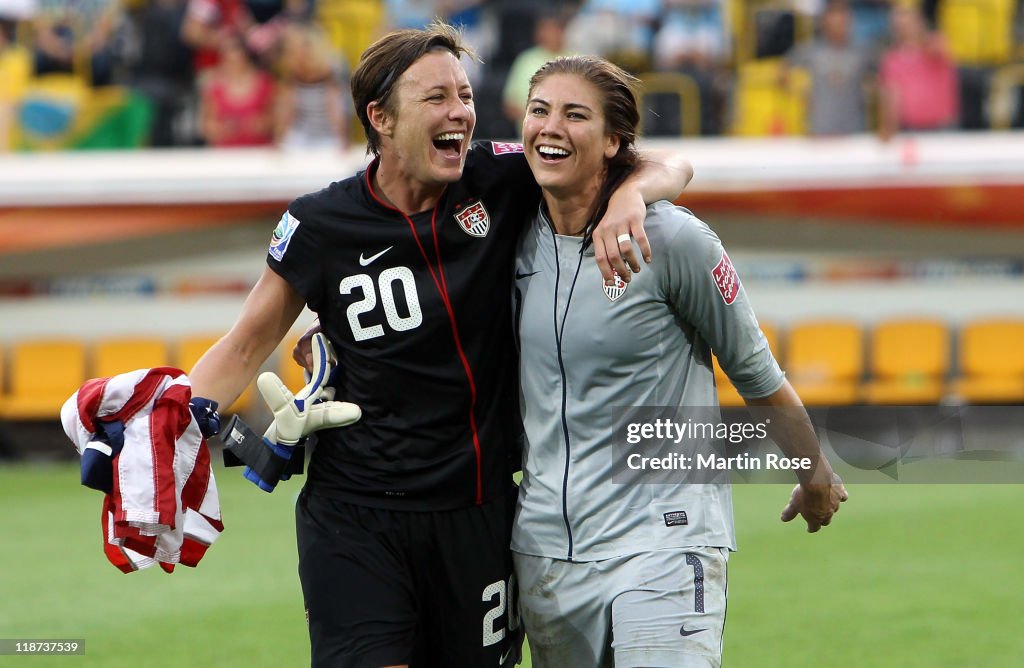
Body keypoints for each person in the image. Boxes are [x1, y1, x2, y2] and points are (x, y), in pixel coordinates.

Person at [188, 21, 692, 668]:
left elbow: (668, 164)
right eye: (435, 98)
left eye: (465, 95)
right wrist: (176, 418)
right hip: (356, 513)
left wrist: (627, 196)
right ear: (382, 118)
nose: (460, 111)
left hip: (478, 511)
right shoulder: (321, 223)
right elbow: (242, 345)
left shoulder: (501, 177)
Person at [510, 55, 849, 667]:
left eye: (574, 115)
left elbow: (758, 374)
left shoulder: (676, 242)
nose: (550, 127)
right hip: (544, 554)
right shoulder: (507, 234)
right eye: (540, 111)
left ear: (615, 143)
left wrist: (814, 470)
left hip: (664, 537)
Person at [782, 0, 876, 136]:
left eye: (843, 20)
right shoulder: (811, 50)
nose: (839, 25)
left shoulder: (862, 51)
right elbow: (783, 68)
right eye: (834, 20)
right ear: (824, 23)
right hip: (820, 131)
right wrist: (797, 90)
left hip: (853, 131)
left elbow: (885, 73)